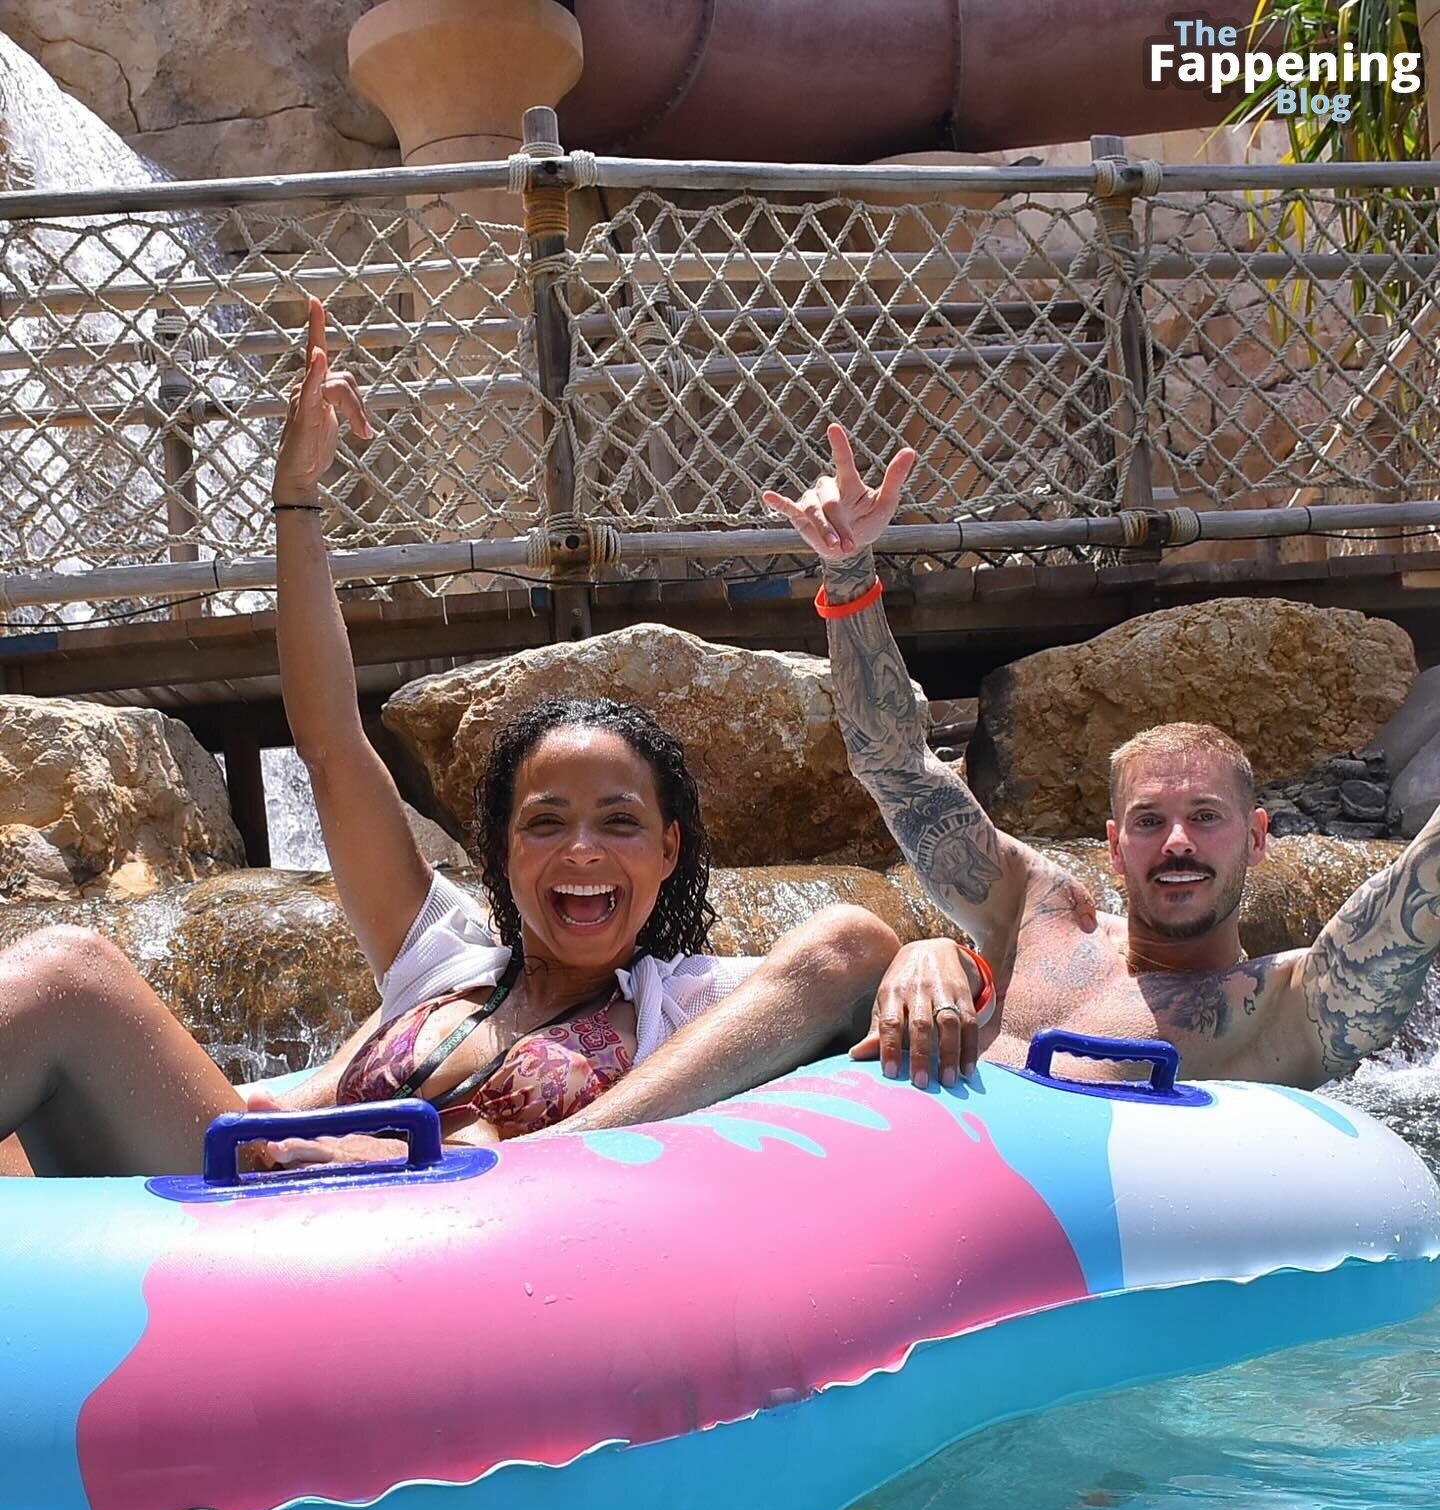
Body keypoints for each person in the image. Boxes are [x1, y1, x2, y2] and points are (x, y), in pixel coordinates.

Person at [0, 313, 913, 1181]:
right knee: (61, 978)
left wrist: (932, 956)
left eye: (619, 821)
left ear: (669, 849)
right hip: (256, 1206)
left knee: (67, 976)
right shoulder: (441, 954)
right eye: (545, 821)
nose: (582, 849)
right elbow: (330, 742)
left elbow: (848, 950)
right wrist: (297, 498)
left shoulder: (688, 1004)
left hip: (428, 1241)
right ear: (502, 853)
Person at [762, 423, 1440, 1091]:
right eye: (1149, 821)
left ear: (1258, 838)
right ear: (1114, 847)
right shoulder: (1035, 913)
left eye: (1206, 816)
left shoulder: (1281, 1007)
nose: (1177, 841)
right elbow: (896, 768)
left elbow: (1407, 908)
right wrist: (848, 568)